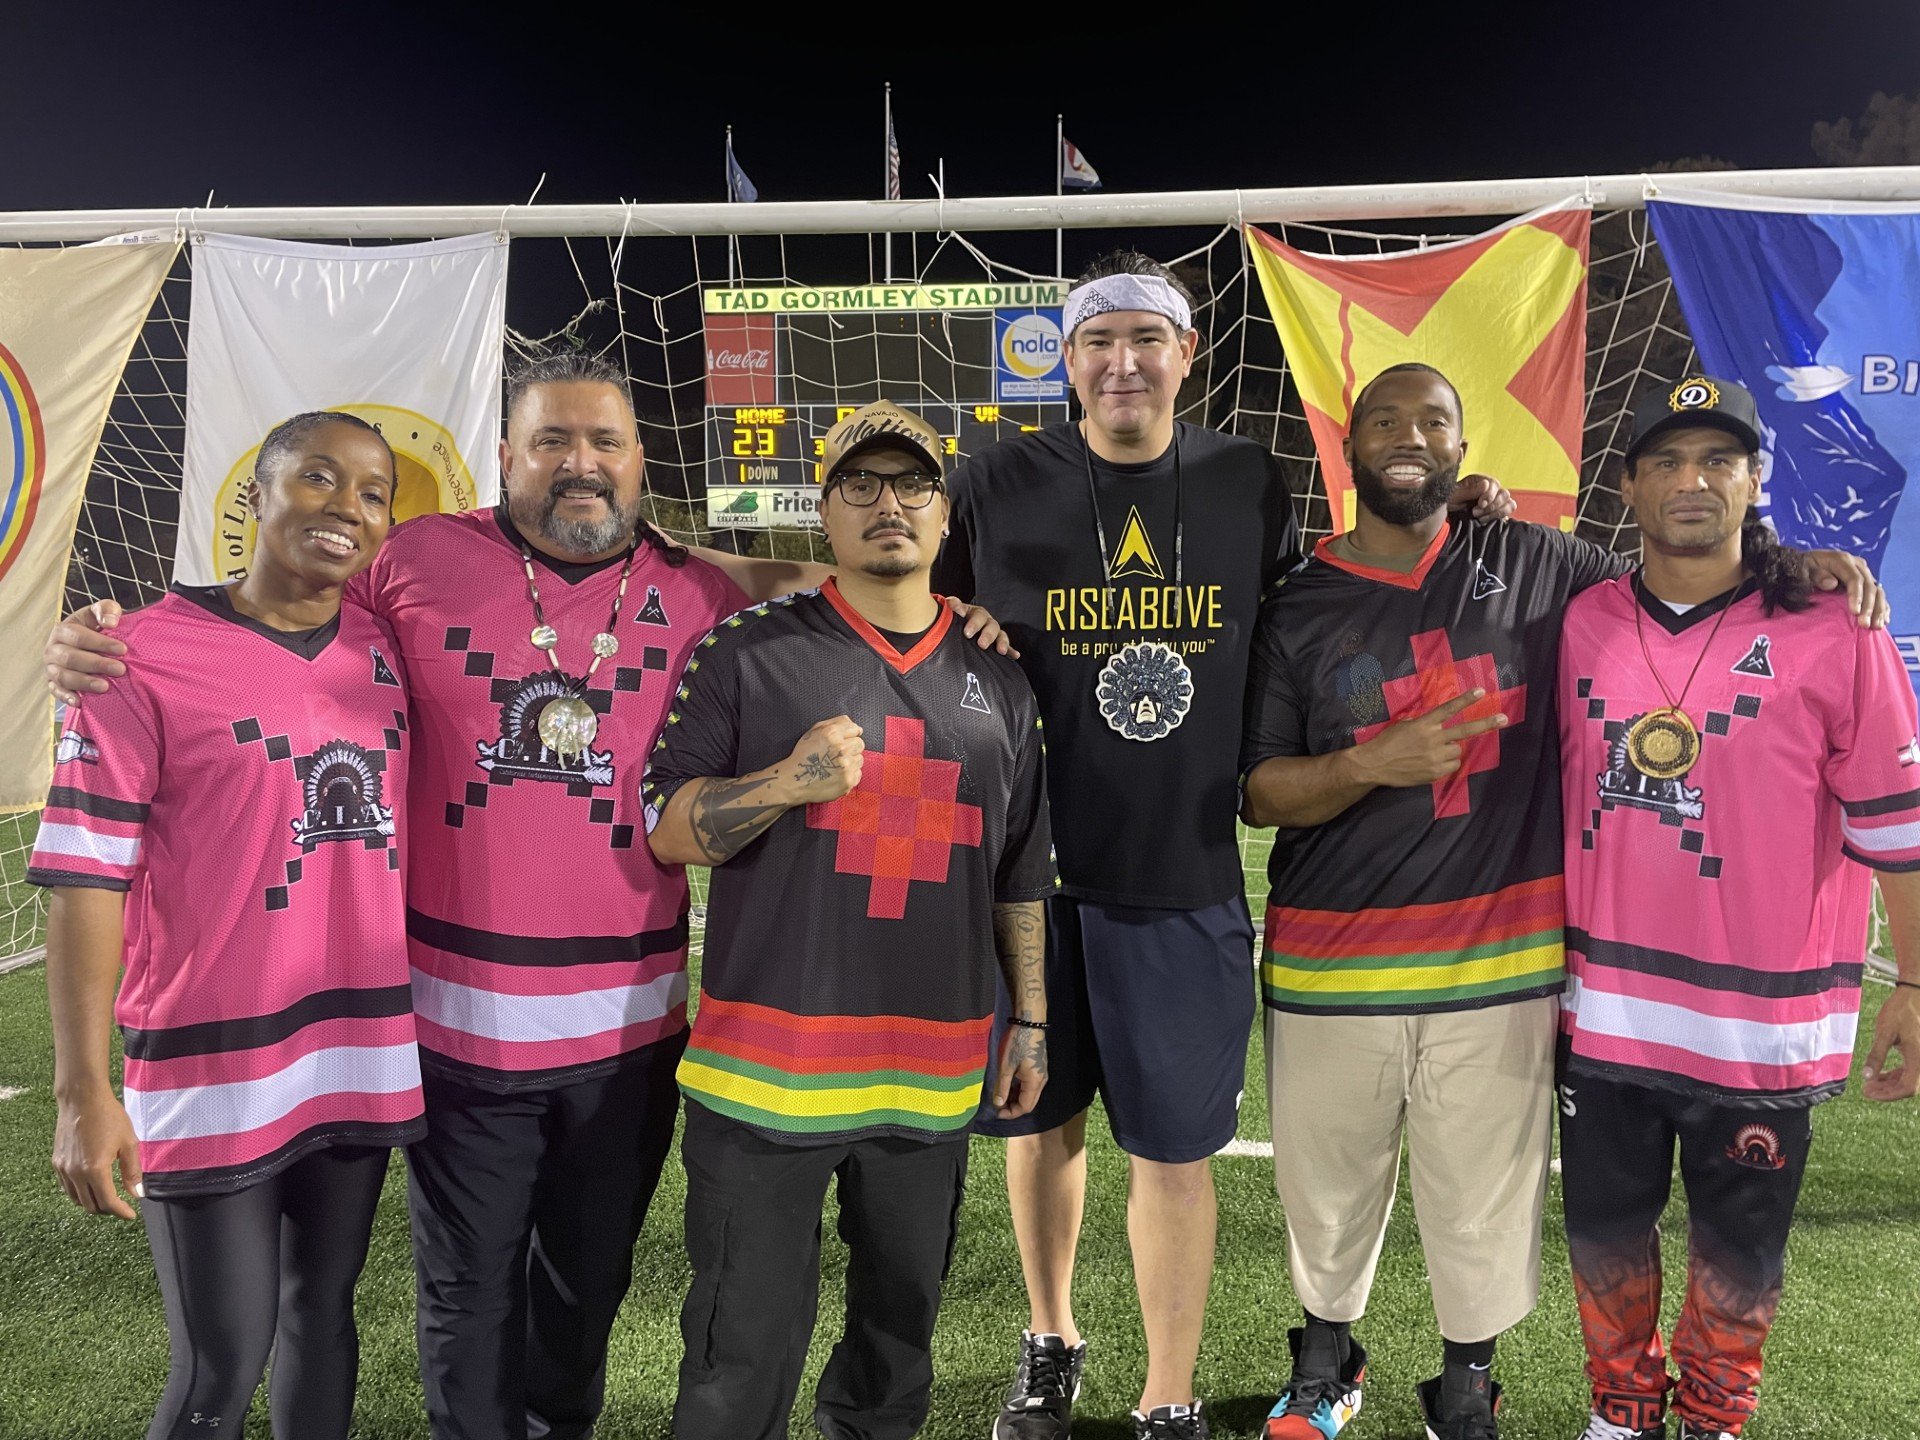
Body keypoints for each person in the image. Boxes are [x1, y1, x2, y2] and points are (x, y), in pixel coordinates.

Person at [42, 353, 1012, 1440]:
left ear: (642, 463)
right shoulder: (413, 558)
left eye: (603, 443)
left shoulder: (696, 588)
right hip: (453, 1026)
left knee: (581, 1296)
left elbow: (805, 585)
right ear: (505, 458)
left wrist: (951, 606)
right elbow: (278, 615)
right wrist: (112, 638)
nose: (579, 464)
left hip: (629, 1030)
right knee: (465, 1294)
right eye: (551, 442)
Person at [1237, 365, 1887, 1440]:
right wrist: (1372, 764)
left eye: (1433, 419)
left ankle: (1466, 1381)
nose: (1409, 436)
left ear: (1463, 445)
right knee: (1325, 1186)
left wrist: (1798, 570)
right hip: (1328, 956)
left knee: (1484, 1193)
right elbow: (1258, 791)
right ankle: (1324, 1362)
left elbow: (1686, 576)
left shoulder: (1541, 563)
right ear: (1345, 449)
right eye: (1385, 421)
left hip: (1501, 959)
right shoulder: (1296, 600)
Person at [934, 254, 1513, 1440]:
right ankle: (1051, 1345)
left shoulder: (1251, 480)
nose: (1124, 362)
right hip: (1026, 878)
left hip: (1183, 872)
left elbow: (1327, 601)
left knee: (1174, 1148)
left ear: (1187, 355)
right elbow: (923, 621)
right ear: (1068, 360)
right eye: (1099, 343)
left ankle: (1167, 1391)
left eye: (1149, 339)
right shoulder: (993, 481)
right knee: (1040, 1125)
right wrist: (961, 620)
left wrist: (1462, 514)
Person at [642, 402, 1058, 1440]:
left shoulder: (998, 679)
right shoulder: (746, 651)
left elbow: (1020, 872)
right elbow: (666, 827)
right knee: (739, 1357)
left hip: (932, 1074)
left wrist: (1035, 1024)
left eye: (912, 484)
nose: (888, 506)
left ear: (946, 512)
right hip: (765, 1079)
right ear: (821, 512)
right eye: (859, 485)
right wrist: (787, 781)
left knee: (894, 1350)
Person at [30, 412, 422, 1440]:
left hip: (357, 1043)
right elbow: (85, 880)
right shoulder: (134, 656)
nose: (346, 508)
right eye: (320, 479)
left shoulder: (390, 647)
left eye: (374, 493)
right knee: (221, 1366)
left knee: (319, 1318)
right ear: (255, 494)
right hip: (211, 1055)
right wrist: (81, 1092)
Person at [1554, 377, 1920, 1440]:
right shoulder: (1581, 620)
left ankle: (1714, 1415)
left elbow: (1898, 822)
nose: (1692, 481)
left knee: (1741, 1248)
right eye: (1666, 461)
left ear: (1758, 481)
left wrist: (1916, 984)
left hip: (1764, 1021)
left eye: (1719, 459)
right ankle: (1621, 1411)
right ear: (1626, 487)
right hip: (1608, 1009)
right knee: (1604, 1230)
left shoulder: (1835, 627)